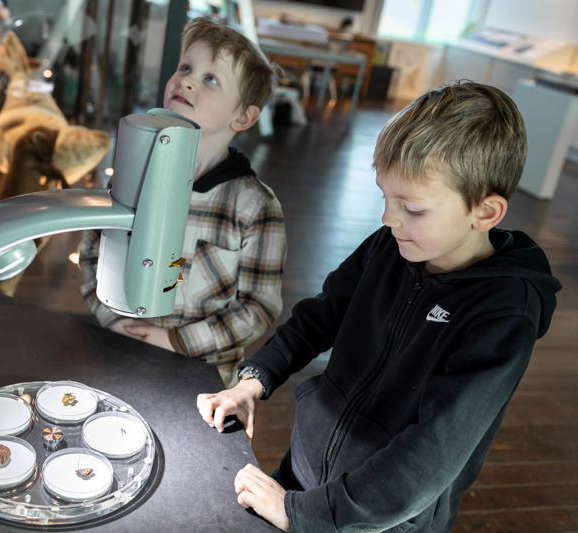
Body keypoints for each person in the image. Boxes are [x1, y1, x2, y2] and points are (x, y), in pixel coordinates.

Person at [196, 80, 562, 531]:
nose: (388, 219)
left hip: (380, 520)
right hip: (304, 479)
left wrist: (303, 516)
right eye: (385, 197)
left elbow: (429, 455)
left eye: (412, 208)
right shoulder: (392, 244)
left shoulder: (505, 313)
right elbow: (322, 314)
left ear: (484, 213)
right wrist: (256, 378)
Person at [79, 18, 287, 387]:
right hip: (119, 352)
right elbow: (93, 252)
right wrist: (113, 321)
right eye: (185, 68)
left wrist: (177, 341)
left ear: (244, 116)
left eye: (211, 79)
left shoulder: (256, 207)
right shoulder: (128, 177)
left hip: (200, 376)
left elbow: (259, 306)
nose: (187, 80)